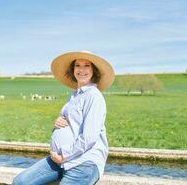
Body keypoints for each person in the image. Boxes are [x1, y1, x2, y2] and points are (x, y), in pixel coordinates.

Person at [12, 51, 115, 185]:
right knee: (21, 182)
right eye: (77, 65)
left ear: (93, 70)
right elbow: (72, 123)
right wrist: (58, 122)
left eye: (87, 65)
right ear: (73, 70)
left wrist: (63, 155)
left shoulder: (93, 96)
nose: (81, 69)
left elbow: (89, 137)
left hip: (83, 162)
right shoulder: (75, 96)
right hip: (60, 161)